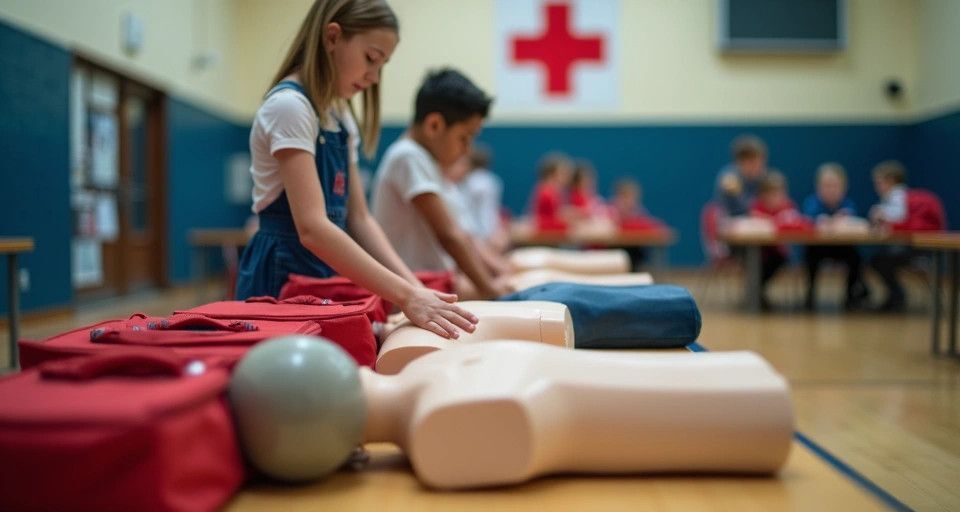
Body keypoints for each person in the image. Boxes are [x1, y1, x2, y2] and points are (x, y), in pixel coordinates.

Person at [235, 0, 477, 339]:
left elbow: (360, 219)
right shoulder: (290, 107)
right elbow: (313, 228)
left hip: (322, 271)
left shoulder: (339, 116)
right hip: (281, 277)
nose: (374, 77)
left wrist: (415, 288)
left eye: (382, 66)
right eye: (371, 59)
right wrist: (406, 295)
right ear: (332, 37)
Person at [371, 69, 511, 299]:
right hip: (422, 287)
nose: (467, 149)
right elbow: (449, 235)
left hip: (437, 283)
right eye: (464, 138)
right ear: (434, 125)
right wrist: (490, 290)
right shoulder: (408, 156)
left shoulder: (426, 161)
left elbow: (463, 235)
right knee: (532, 291)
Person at [801, 163, 869, 310]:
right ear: (818, 187)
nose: (830, 190)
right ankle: (810, 294)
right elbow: (809, 221)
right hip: (819, 247)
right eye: (826, 186)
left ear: (844, 187)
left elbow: (852, 222)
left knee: (855, 257)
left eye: (835, 186)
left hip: (842, 247)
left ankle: (851, 295)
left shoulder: (848, 204)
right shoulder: (812, 203)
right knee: (809, 255)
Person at [750, 171, 798, 311]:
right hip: (761, 251)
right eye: (771, 194)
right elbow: (753, 222)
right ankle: (755, 295)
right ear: (763, 195)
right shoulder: (757, 206)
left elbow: (794, 222)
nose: (775, 198)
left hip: (778, 252)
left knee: (777, 261)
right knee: (755, 263)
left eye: (778, 193)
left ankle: (757, 293)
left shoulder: (788, 207)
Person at [868, 161, 911, 311]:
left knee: (879, 261)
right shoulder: (892, 197)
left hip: (906, 247)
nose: (877, 187)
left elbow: (899, 215)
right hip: (901, 245)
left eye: (879, 183)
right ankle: (895, 295)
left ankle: (897, 295)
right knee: (877, 260)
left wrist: (880, 213)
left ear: (891, 181)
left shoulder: (898, 195)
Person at [715, 134, 769, 217]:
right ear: (740, 161)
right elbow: (740, 208)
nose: (758, 165)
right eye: (752, 161)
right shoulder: (730, 177)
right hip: (731, 219)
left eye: (760, 160)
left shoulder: (765, 177)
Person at [530, 152, 575, 231]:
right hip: (546, 233)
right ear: (552, 174)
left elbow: (555, 214)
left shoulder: (553, 191)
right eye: (563, 173)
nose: (567, 178)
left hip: (549, 230)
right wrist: (569, 223)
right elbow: (543, 222)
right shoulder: (546, 192)